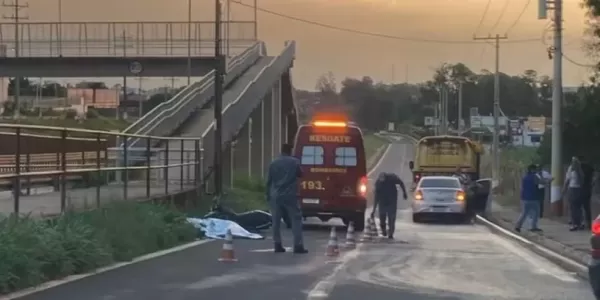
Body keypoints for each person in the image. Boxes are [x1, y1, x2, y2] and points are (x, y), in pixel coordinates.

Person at [266, 143, 308, 254]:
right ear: (290, 151)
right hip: (290, 195)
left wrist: (268, 195)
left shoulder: (273, 163)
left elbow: (269, 181)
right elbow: (301, 174)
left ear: (281, 150)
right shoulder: (294, 162)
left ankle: (277, 245)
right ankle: (298, 245)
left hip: (275, 195)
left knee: (275, 221)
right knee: (296, 219)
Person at [372, 172, 408, 239]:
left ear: (386, 178)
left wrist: (404, 193)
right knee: (382, 217)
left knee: (391, 218)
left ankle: (390, 233)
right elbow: (376, 197)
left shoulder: (392, 178)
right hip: (382, 202)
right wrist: (373, 210)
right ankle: (384, 230)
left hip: (392, 201)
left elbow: (401, 183)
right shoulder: (378, 183)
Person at [515, 164, 542, 233]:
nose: (536, 170)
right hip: (533, 198)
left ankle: (518, 225)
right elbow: (541, 182)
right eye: (535, 169)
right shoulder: (535, 177)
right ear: (532, 170)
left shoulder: (525, 177)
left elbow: (522, 187)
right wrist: (548, 181)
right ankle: (533, 227)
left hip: (525, 198)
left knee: (524, 213)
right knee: (536, 213)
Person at [563, 156, 585, 231]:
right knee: (578, 207)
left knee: (572, 207)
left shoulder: (571, 169)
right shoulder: (580, 170)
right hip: (579, 190)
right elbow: (582, 181)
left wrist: (564, 189)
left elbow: (567, 180)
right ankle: (581, 223)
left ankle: (574, 224)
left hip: (572, 189)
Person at [579, 156, 594, 229]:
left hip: (580, 189)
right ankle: (589, 223)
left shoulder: (579, 167)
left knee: (579, 207)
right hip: (588, 188)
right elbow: (594, 177)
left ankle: (581, 223)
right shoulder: (590, 168)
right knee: (587, 207)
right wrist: (592, 183)